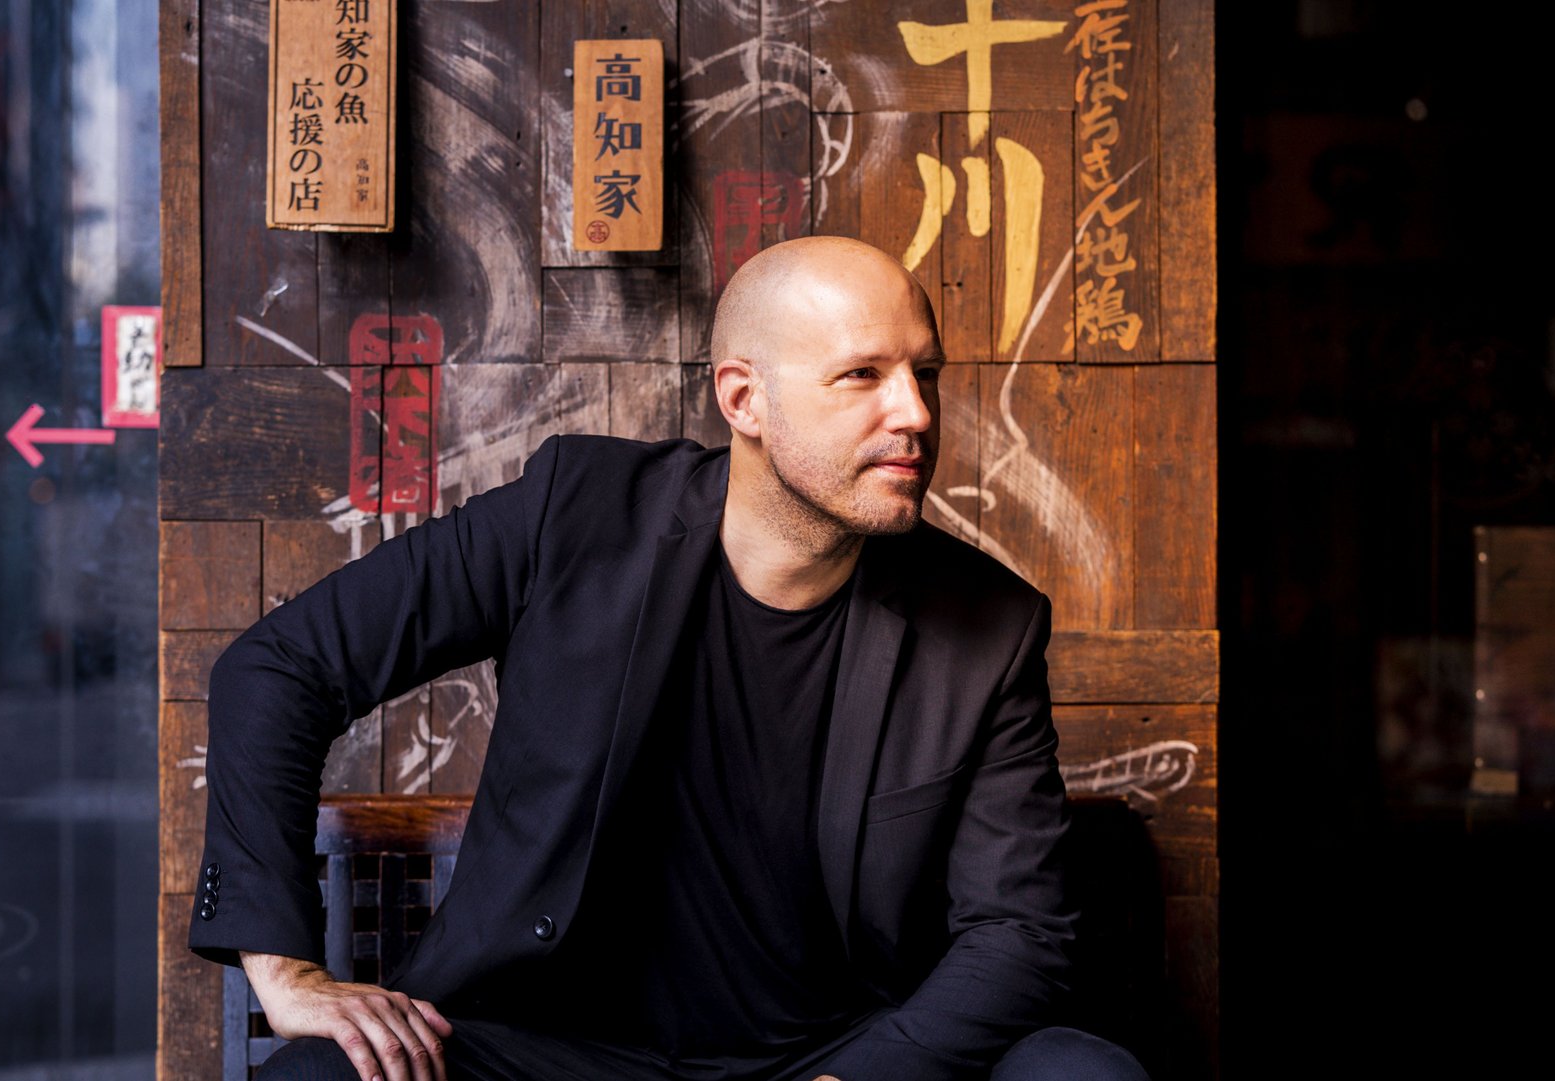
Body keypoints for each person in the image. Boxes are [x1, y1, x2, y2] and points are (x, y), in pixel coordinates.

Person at [190, 236, 1149, 1081]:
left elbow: (1019, 930)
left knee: (1080, 1071)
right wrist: (287, 971)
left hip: (829, 1053)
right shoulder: (576, 516)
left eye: (925, 373)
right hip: (537, 1046)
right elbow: (278, 668)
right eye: (863, 375)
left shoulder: (988, 624)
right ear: (745, 399)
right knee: (318, 1076)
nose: (916, 413)